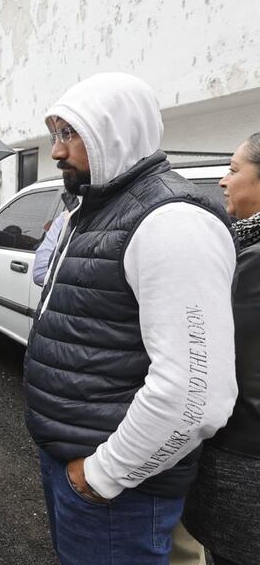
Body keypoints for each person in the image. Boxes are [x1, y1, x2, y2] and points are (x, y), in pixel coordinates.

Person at [24, 73, 237, 564]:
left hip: (117, 491)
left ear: (113, 132)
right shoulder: (99, 207)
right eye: (55, 134)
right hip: (76, 465)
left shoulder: (171, 221)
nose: (56, 151)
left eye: (68, 134)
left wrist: (103, 475)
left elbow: (196, 397)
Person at [183, 132, 260, 565]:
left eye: (233, 170)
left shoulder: (252, 260)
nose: (223, 182)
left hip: (243, 459)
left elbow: (229, 364)